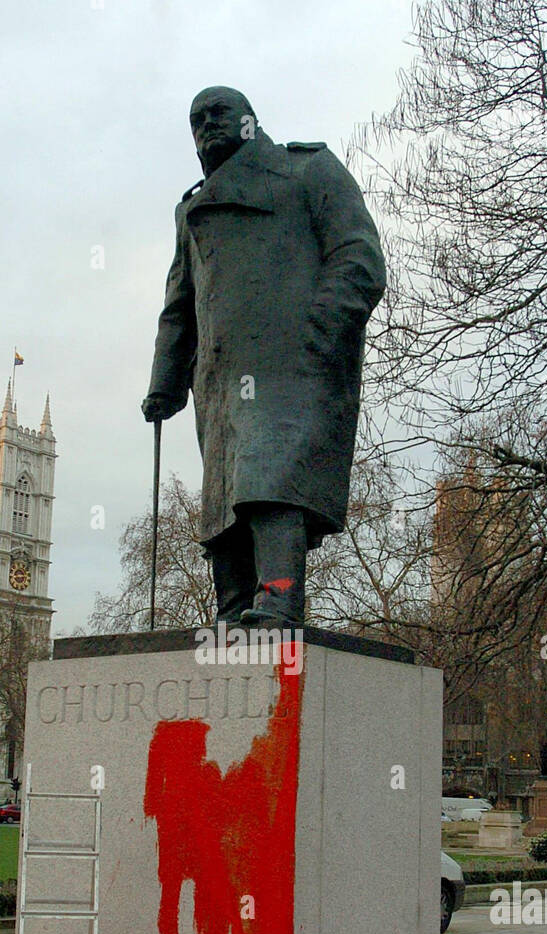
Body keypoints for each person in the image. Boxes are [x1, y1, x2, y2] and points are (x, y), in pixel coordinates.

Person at [142, 86, 386, 626]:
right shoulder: (192, 210)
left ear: (250, 120)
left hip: (291, 365)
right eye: (196, 120)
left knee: (267, 479)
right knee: (224, 498)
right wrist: (165, 381)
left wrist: (318, 332)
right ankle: (233, 609)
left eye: (219, 114)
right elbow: (179, 304)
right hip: (219, 376)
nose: (207, 126)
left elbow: (359, 257)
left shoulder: (309, 170)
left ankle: (278, 600)